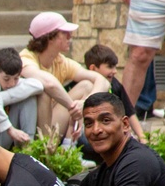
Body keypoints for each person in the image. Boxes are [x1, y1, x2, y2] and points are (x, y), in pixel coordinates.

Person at [20, 12, 109, 141]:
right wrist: (73, 108)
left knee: (86, 86)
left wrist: (84, 104)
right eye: (65, 33)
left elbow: (102, 81)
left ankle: (69, 146)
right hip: (27, 130)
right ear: (50, 37)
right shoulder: (26, 57)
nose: (70, 37)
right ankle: (44, 151)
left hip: (52, 123)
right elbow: (49, 83)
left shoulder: (60, 60)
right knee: (44, 91)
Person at [84, 45, 145, 142]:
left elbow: (129, 111)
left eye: (115, 67)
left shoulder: (114, 84)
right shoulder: (85, 86)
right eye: (110, 67)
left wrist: (142, 138)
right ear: (93, 68)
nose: (115, 71)